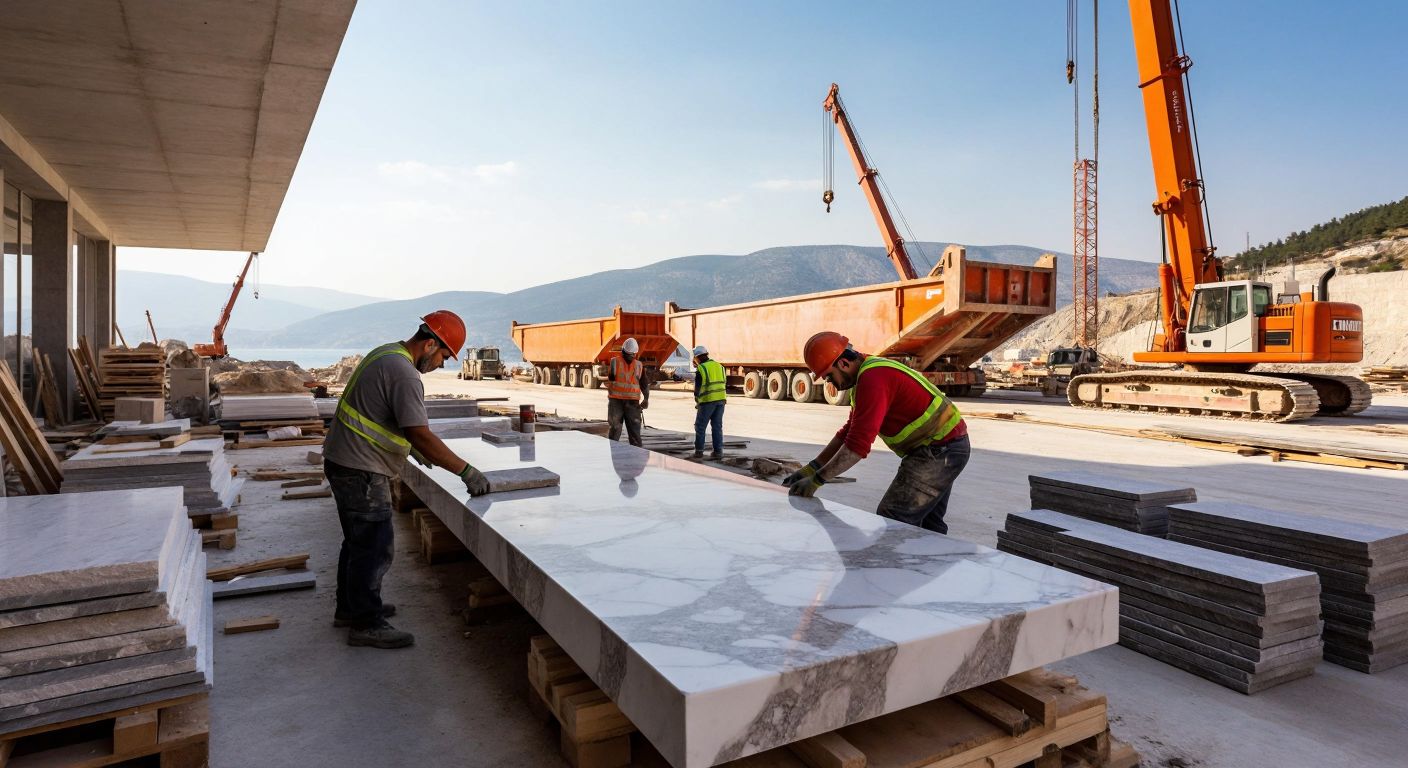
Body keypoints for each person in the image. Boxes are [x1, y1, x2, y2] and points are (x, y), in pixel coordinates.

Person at [322, 310, 492, 649]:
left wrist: (409, 450)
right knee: (374, 544)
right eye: (444, 356)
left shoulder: (386, 353)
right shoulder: (405, 374)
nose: (443, 364)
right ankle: (366, 623)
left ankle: (351, 608)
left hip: (344, 460)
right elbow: (420, 432)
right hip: (361, 468)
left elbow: (379, 414)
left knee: (357, 541)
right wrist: (465, 470)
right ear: (430, 344)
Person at [783, 331, 970, 534]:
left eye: (829, 376)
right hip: (945, 447)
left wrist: (817, 480)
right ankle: (929, 563)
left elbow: (856, 447)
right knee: (930, 526)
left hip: (940, 451)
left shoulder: (873, 379)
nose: (831, 384)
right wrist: (812, 468)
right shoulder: (868, 373)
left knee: (894, 517)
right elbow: (849, 431)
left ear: (843, 364)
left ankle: (895, 566)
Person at [605, 337, 650, 447]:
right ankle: (635, 458)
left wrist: (646, 399)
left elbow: (611, 379)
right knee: (632, 432)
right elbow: (644, 384)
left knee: (616, 430)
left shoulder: (615, 362)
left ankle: (615, 454)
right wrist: (646, 399)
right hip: (629, 403)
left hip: (618, 402)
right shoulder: (638, 365)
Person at [691, 344, 727, 460]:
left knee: (700, 427)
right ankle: (718, 452)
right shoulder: (720, 366)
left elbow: (697, 389)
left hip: (707, 401)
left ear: (697, 357)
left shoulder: (701, 369)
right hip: (721, 400)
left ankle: (699, 452)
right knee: (717, 426)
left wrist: (697, 400)